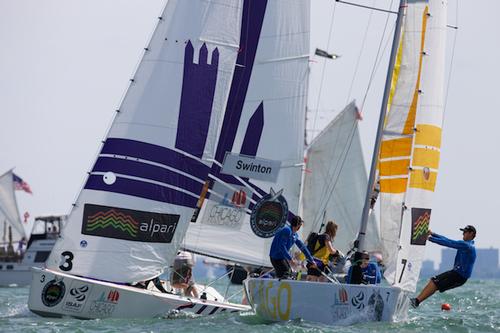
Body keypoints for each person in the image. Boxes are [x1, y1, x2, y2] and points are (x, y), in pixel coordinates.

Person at [410, 225, 477, 308]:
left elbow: (448, 243)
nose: (463, 234)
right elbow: (447, 239)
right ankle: (416, 301)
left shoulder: (467, 246)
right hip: (458, 275)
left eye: (465, 232)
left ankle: (416, 301)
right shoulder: (466, 244)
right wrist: (433, 234)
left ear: (471, 234)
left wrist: (429, 238)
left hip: (459, 275)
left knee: (434, 281)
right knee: (434, 283)